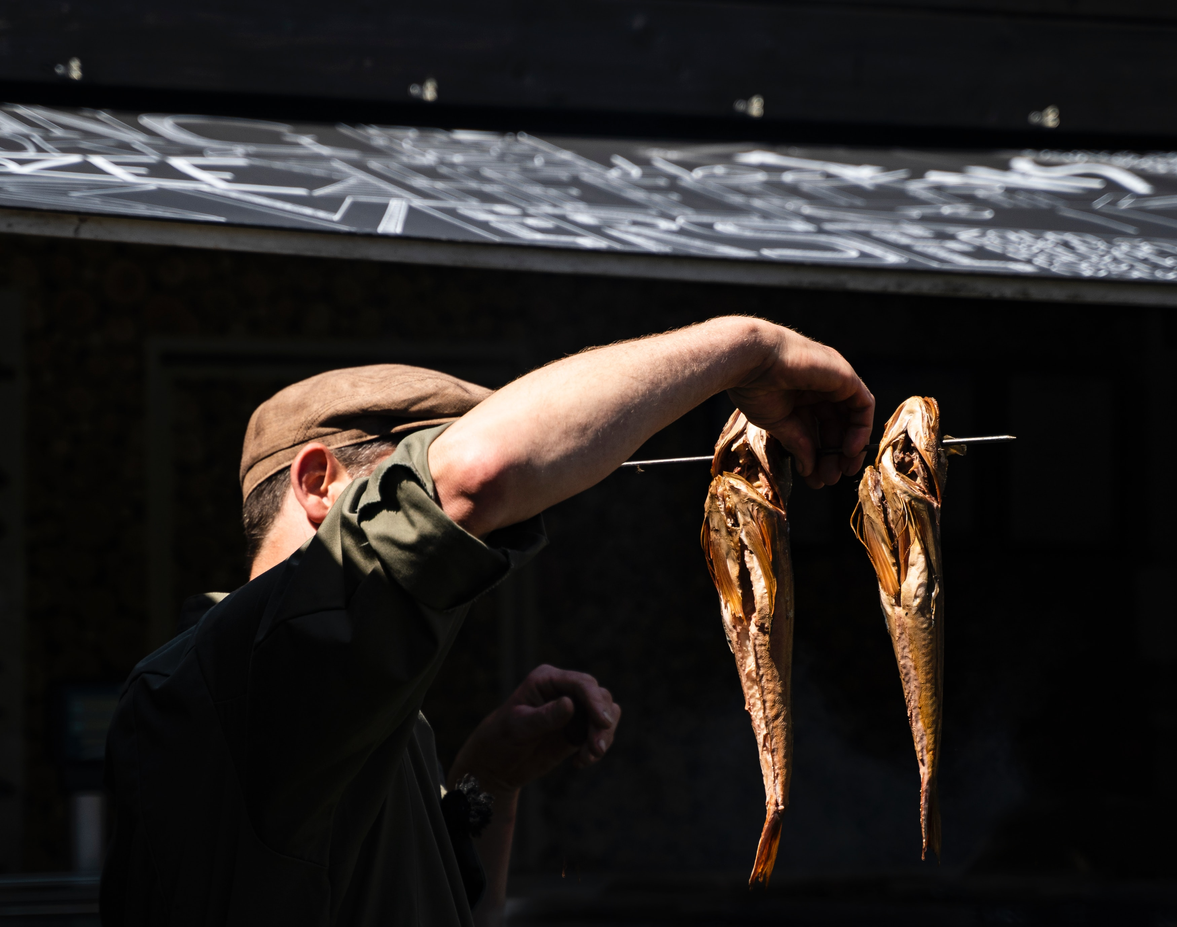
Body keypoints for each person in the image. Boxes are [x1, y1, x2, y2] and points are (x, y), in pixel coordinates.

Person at [100, 316, 875, 927]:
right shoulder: (245, 671)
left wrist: (490, 779)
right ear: (319, 482)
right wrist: (748, 349)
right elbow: (479, 475)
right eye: (420, 457)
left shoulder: (362, 710)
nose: (501, 520)